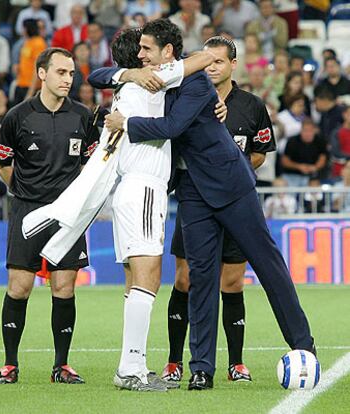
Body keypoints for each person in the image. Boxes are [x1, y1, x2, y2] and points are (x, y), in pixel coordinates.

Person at [98, 18, 315, 390]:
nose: (140, 54)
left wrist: (126, 122)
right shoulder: (154, 79)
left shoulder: (196, 83)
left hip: (231, 185)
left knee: (268, 266)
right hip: (193, 192)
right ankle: (201, 369)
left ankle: (304, 348)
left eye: (147, 48)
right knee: (200, 279)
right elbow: (99, 76)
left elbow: (171, 128)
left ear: (168, 52)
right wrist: (128, 76)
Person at [87, 27, 227, 392]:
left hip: (129, 189)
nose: (148, 56)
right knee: (149, 275)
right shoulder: (150, 80)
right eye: (144, 50)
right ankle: (131, 368)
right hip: (145, 186)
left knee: (135, 279)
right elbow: (205, 58)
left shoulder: (128, 84)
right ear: (139, 58)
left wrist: (124, 72)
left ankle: (132, 364)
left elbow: (98, 74)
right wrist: (139, 70)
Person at [158, 35, 276, 384]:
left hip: (233, 201)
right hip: (195, 199)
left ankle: (236, 362)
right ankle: (174, 360)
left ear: (232, 66)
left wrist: (227, 174)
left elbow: (259, 152)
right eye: (206, 62)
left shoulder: (251, 106)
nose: (211, 68)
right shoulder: (184, 96)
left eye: (218, 62)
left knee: (233, 281)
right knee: (185, 278)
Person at [0, 47, 100, 385]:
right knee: (19, 286)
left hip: (67, 215)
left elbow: (92, 166)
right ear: (42, 74)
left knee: (64, 287)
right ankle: (10, 364)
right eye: (61, 72)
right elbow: (1, 163)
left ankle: (61, 365)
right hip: (27, 210)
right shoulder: (18, 116)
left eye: (71, 73)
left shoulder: (83, 116)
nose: (68, 79)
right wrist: (23, 192)